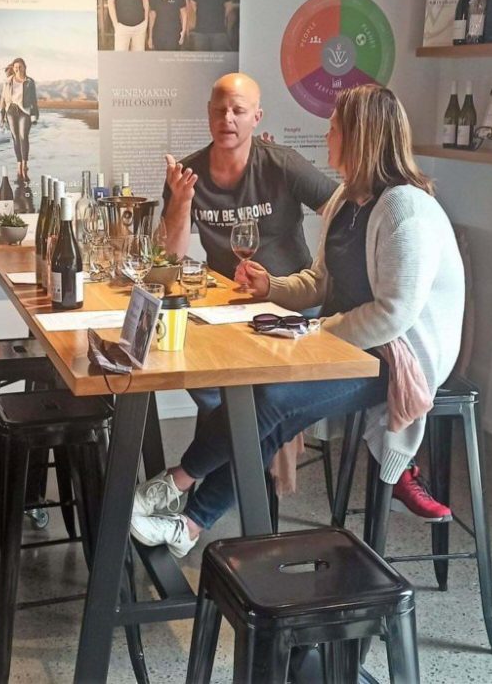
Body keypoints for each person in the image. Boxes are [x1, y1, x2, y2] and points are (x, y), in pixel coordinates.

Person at [131, 84, 463, 558]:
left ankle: (173, 486)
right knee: (264, 404)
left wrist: (317, 332)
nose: (326, 137)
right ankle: (188, 524)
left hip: (397, 357)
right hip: (346, 342)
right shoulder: (348, 200)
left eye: (334, 129)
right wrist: (272, 287)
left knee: (269, 398)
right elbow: (320, 282)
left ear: (359, 137)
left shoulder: (404, 208)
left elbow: (394, 314)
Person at [160, 72, 337, 424]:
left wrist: (326, 270)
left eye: (238, 111)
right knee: (189, 364)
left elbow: (342, 211)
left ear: (256, 117)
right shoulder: (187, 173)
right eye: (219, 110)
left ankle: (248, 442)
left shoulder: (282, 163)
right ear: (208, 113)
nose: (227, 119)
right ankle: (243, 440)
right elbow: (169, 258)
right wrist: (181, 201)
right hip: (226, 308)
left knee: (266, 395)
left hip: (290, 304)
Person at [0, 58, 39, 180]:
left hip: (24, 111)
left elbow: (34, 100)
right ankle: (19, 164)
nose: (18, 69)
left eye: (20, 67)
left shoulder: (30, 82)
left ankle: (25, 164)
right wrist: (1, 114)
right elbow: (3, 98)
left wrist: (34, 115)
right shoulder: (7, 81)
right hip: (11, 111)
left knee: (23, 136)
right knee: (15, 138)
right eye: (16, 67)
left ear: (25, 68)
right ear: (13, 68)